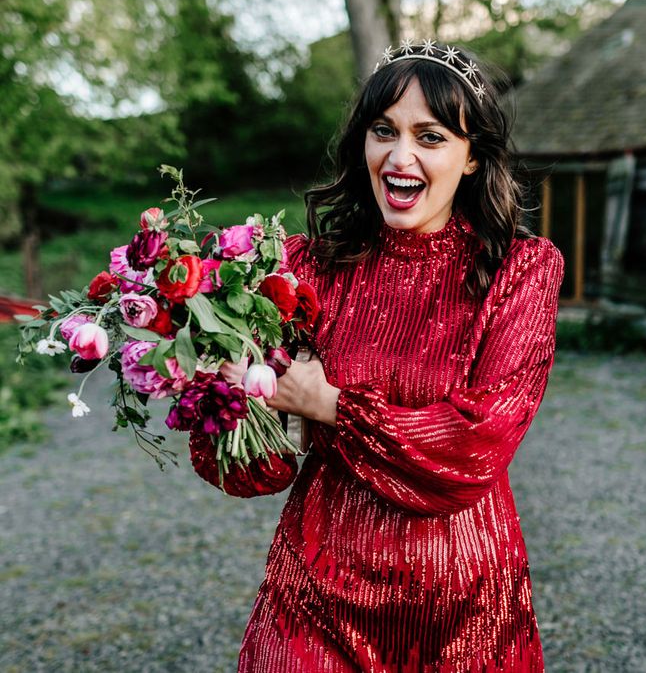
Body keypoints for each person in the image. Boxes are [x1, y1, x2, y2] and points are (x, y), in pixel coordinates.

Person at [189, 40, 564, 672]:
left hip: (458, 601)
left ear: (472, 158)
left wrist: (327, 404)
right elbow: (259, 470)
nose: (399, 155)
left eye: (431, 136)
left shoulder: (520, 271)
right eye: (383, 131)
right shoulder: (309, 266)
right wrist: (222, 381)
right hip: (316, 583)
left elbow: (478, 442)